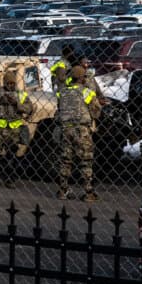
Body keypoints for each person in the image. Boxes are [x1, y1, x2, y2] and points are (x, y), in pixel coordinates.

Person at [55, 65, 101, 202]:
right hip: (81, 130)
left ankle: (63, 190)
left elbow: (59, 109)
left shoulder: (62, 92)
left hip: (65, 129)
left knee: (65, 160)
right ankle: (88, 193)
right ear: (81, 78)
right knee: (85, 161)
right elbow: (96, 112)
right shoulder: (87, 93)